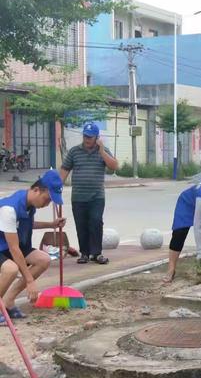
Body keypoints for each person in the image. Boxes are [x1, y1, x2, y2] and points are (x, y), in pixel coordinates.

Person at [0, 170, 65, 323]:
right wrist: (29, 281)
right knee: (10, 269)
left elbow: (26, 224)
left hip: (9, 246)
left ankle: (8, 302)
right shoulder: (9, 209)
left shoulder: (29, 204)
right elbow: (14, 248)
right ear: (37, 190)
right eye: (47, 199)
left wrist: (51, 224)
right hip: (6, 246)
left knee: (43, 259)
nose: (48, 203)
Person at [60, 123, 118, 265]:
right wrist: (57, 185)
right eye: (85, 136)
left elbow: (114, 166)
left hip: (96, 196)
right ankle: (84, 253)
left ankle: (97, 253)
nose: (87, 139)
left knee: (96, 222)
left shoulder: (103, 151)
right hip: (78, 196)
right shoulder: (74, 152)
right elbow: (64, 169)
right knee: (81, 225)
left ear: (97, 138)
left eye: (90, 137)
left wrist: (102, 151)